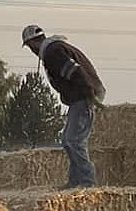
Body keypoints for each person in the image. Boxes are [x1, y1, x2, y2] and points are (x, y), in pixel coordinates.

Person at [21, 24, 106, 188]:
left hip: (84, 94)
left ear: (32, 44)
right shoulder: (55, 48)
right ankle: (76, 181)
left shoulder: (53, 53)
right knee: (69, 140)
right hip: (83, 94)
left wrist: (89, 95)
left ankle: (87, 182)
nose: (32, 51)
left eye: (30, 47)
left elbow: (75, 72)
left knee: (74, 140)